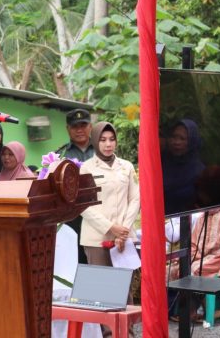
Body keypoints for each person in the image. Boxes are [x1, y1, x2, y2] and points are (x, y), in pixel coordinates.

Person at [79, 121, 140, 337]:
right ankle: (108, 334)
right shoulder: (86, 168)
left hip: (123, 237)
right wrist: (111, 227)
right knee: (103, 293)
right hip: (97, 239)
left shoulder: (126, 166)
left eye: (112, 139)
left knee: (125, 291)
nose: (108, 144)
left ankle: (128, 333)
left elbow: (135, 198)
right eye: (103, 140)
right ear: (95, 141)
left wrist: (123, 230)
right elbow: (83, 205)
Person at [167, 208, 220, 321]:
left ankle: (188, 312)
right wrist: (185, 259)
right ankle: (171, 310)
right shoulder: (202, 217)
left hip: (218, 259)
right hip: (198, 258)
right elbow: (193, 245)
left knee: (193, 270)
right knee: (170, 269)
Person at [56, 108, 95, 264]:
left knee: (102, 260)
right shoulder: (60, 154)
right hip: (73, 217)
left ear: (90, 127)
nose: (79, 130)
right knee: (77, 258)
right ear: (68, 129)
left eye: (83, 125)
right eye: (74, 126)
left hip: (102, 212)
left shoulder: (103, 150)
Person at [161, 119, 205, 215]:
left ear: (191, 142)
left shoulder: (199, 171)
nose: (176, 142)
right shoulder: (162, 163)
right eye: (174, 137)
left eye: (182, 139)